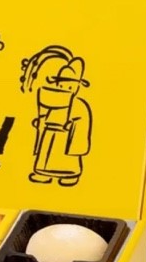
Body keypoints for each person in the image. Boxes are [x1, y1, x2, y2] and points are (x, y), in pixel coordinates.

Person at [20, 45, 92, 187]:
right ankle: (43, 173)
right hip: (50, 132)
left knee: (66, 159)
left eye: (69, 87)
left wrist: (72, 125)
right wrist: (41, 121)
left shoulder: (78, 104)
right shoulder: (54, 99)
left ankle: (70, 174)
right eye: (61, 85)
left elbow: (82, 121)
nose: (63, 88)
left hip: (66, 137)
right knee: (46, 155)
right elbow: (47, 114)